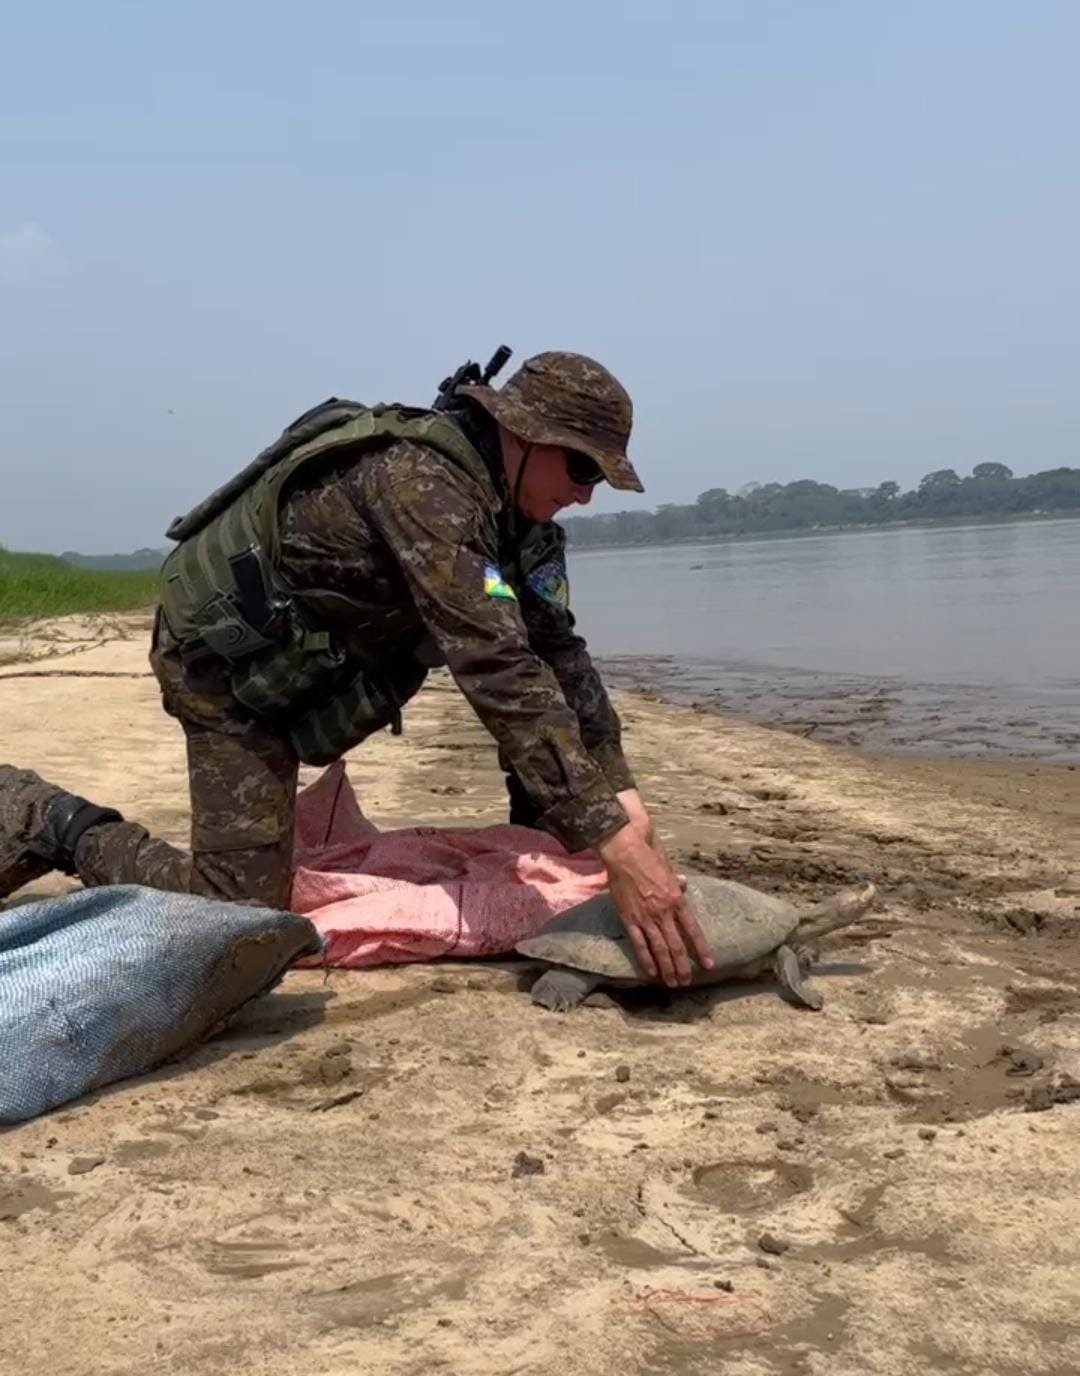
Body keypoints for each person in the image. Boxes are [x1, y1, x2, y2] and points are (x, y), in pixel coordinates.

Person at [0, 350, 713, 987]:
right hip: (224, 674)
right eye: (582, 468)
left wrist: (617, 795)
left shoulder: (526, 527)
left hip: (317, 667)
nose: (587, 494)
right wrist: (610, 835)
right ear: (525, 436)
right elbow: (495, 665)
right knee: (236, 915)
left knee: (579, 823)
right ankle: (50, 821)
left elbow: (557, 655)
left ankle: (551, 841)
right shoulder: (421, 485)